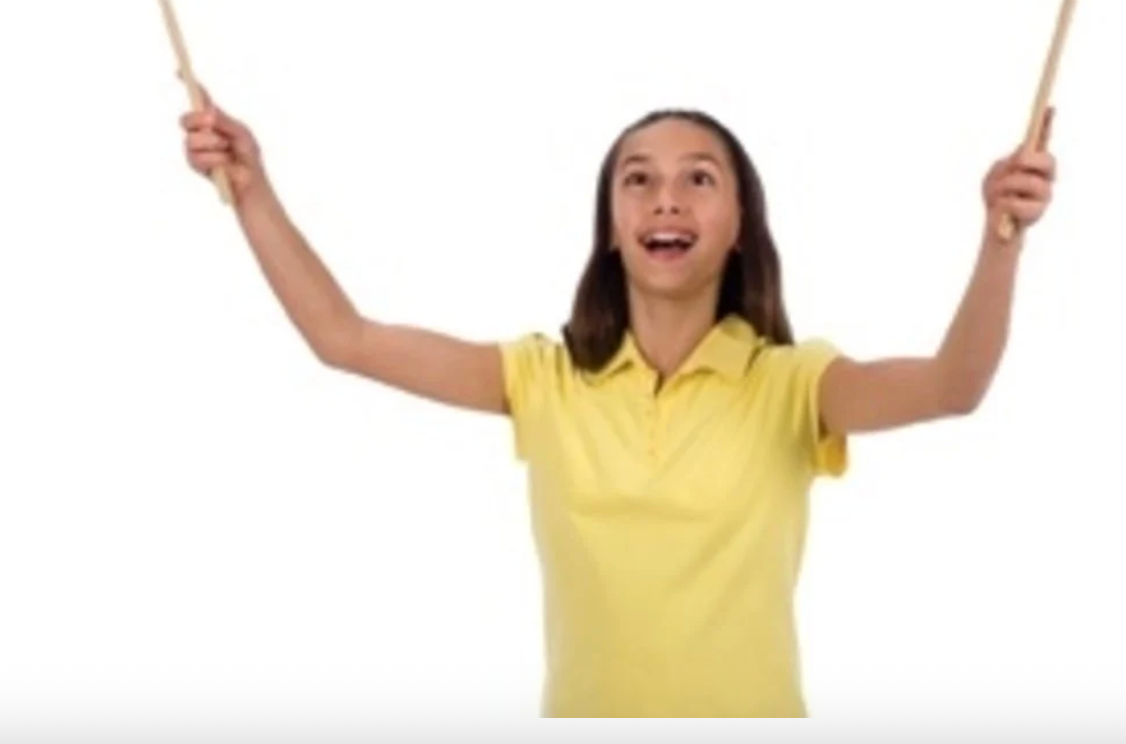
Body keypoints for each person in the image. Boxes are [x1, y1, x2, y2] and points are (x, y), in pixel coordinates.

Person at [179, 91, 1056, 718]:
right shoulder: (544, 379)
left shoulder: (793, 386)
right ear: (609, 223)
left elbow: (953, 385)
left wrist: (999, 241)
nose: (665, 197)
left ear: (741, 222)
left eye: (698, 179)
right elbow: (345, 339)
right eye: (637, 180)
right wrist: (250, 190)